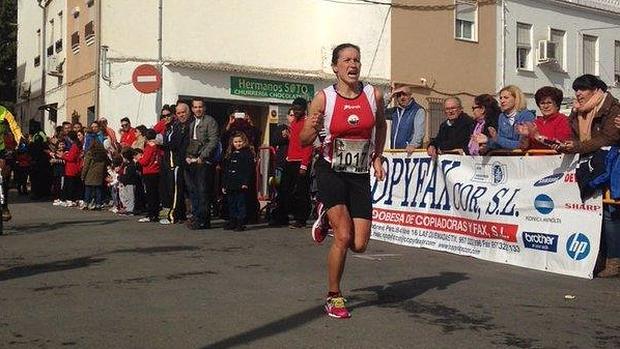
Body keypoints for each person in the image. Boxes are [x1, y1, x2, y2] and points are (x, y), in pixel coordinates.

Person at [300, 43, 387, 319]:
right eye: (347, 60)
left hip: (359, 174)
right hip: (331, 171)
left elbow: (381, 125)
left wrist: (377, 157)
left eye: (357, 60)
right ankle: (334, 296)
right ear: (336, 67)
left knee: (360, 244)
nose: (353, 65)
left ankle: (325, 217)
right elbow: (303, 140)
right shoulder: (323, 98)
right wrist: (312, 127)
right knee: (344, 236)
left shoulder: (374, 95)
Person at [558, 74, 620, 277]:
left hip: (610, 163)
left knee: (611, 213)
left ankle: (614, 260)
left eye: (582, 89)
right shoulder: (576, 111)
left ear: (596, 90)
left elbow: (609, 137)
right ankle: (597, 256)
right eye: (576, 89)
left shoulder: (612, 107)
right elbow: (573, 136)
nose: (578, 93)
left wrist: (578, 146)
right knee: (594, 213)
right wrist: (567, 145)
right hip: (589, 163)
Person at [269, 97, 313, 228]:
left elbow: (308, 145)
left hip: (301, 161)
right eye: (295, 109)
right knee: (284, 190)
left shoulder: (307, 123)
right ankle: (283, 216)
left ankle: (301, 219)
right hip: (290, 160)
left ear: (304, 110)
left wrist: (305, 164)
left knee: (301, 192)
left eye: (299, 109)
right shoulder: (293, 124)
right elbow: (294, 142)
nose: (296, 111)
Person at [184, 98, 219, 230]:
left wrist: (202, 156)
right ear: (192, 109)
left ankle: (204, 221)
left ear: (204, 108)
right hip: (191, 161)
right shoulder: (192, 122)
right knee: (194, 192)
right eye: (195, 107)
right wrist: (188, 156)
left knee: (203, 192)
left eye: (200, 107)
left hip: (204, 162)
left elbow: (213, 141)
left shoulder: (210, 121)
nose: (198, 109)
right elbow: (190, 141)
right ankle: (197, 218)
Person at [160, 102, 192, 225]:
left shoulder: (179, 126)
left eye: (168, 115)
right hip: (172, 163)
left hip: (179, 162)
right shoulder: (171, 128)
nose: (166, 118)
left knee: (177, 191)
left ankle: (173, 216)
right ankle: (181, 214)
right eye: (163, 116)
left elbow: (175, 144)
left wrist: (161, 144)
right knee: (177, 190)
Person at [517, 86, 572, 150]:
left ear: (557, 105)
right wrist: (525, 136)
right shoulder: (535, 122)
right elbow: (524, 147)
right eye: (542, 103)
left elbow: (561, 144)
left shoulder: (563, 120)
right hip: (532, 159)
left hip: (554, 159)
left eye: (549, 103)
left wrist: (538, 137)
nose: (546, 106)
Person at [483, 85, 535, 151]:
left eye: (506, 98)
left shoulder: (526, 115)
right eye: (501, 98)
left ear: (516, 99)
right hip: (506, 157)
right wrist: (487, 142)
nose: (502, 101)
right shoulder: (502, 116)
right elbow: (499, 143)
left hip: (522, 157)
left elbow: (522, 145)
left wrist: (497, 138)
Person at [222, 132, 255, 231]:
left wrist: (245, 182)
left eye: (240, 141)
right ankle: (233, 220)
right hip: (230, 183)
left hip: (240, 183)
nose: (238, 144)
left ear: (244, 142)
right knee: (231, 203)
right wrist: (224, 185)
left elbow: (248, 170)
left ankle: (240, 222)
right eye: (235, 142)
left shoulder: (247, 154)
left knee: (240, 203)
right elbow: (226, 171)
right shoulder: (230, 154)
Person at [0, 105, 25, 223]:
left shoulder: (3, 111)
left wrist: (20, 138)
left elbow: (14, 126)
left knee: (4, 176)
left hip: (0, 149)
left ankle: (4, 206)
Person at [387, 85, 425, 154]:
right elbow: (377, 111)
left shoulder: (418, 110)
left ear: (410, 95)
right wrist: (390, 96)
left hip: (410, 155)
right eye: (398, 95)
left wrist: (413, 145)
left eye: (404, 94)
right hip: (395, 154)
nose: (402, 97)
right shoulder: (395, 111)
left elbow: (419, 133)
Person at [136, 129, 161, 223]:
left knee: (150, 195)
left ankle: (151, 215)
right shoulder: (157, 146)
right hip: (156, 170)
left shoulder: (149, 147)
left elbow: (145, 161)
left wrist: (139, 159)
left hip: (149, 171)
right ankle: (155, 214)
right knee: (155, 194)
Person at [81, 140, 108, 210]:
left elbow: (86, 166)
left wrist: (83, 175)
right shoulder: (103, 154)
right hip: (99, 173)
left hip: (90, 173)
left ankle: (86, 203)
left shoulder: (90, 153)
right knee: (98, 189)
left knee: (88, 189)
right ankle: (98, 204)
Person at [61, 131, 82, 207]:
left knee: (70, 185)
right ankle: (74, 199)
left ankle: (70, 200)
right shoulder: (77, 145)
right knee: (74, 184)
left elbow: (71, 158)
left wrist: (63, 156)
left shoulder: (74, 146)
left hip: (71, 168)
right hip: (74, 168)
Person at [118, 148, 139, 215]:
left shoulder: (131, 165)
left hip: (130, 183)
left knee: (130, 197)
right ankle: (126, 207)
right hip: (125, 183)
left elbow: (128, 176)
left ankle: (130, 209)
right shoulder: (126, 165)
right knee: (125, 196)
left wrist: (121, 178)